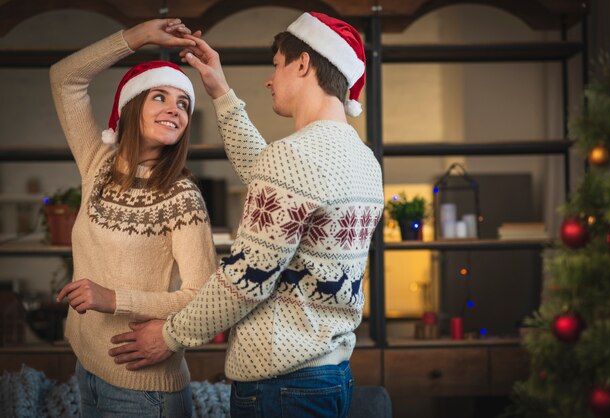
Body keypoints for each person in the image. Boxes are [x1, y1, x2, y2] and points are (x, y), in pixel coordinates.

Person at [109, 12, 384, 418]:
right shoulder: (363, 160)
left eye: (276, 65)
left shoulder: (294, 156)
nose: (270, 80)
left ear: (303, 63)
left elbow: (244, 282)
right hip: (330, 377)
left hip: (281, 387)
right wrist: (220, 91)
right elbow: (268, 173)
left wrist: (169, 336)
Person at [51, 19, 218, 417]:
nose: (174, 110)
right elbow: (64, 79)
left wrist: (113, 300)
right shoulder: (98, 163)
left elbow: (204, 298)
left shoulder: (181, 195)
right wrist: (138, 37)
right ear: (131, 105)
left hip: (146, 388)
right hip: (87, 367)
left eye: (183, 103)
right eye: (159, 96)